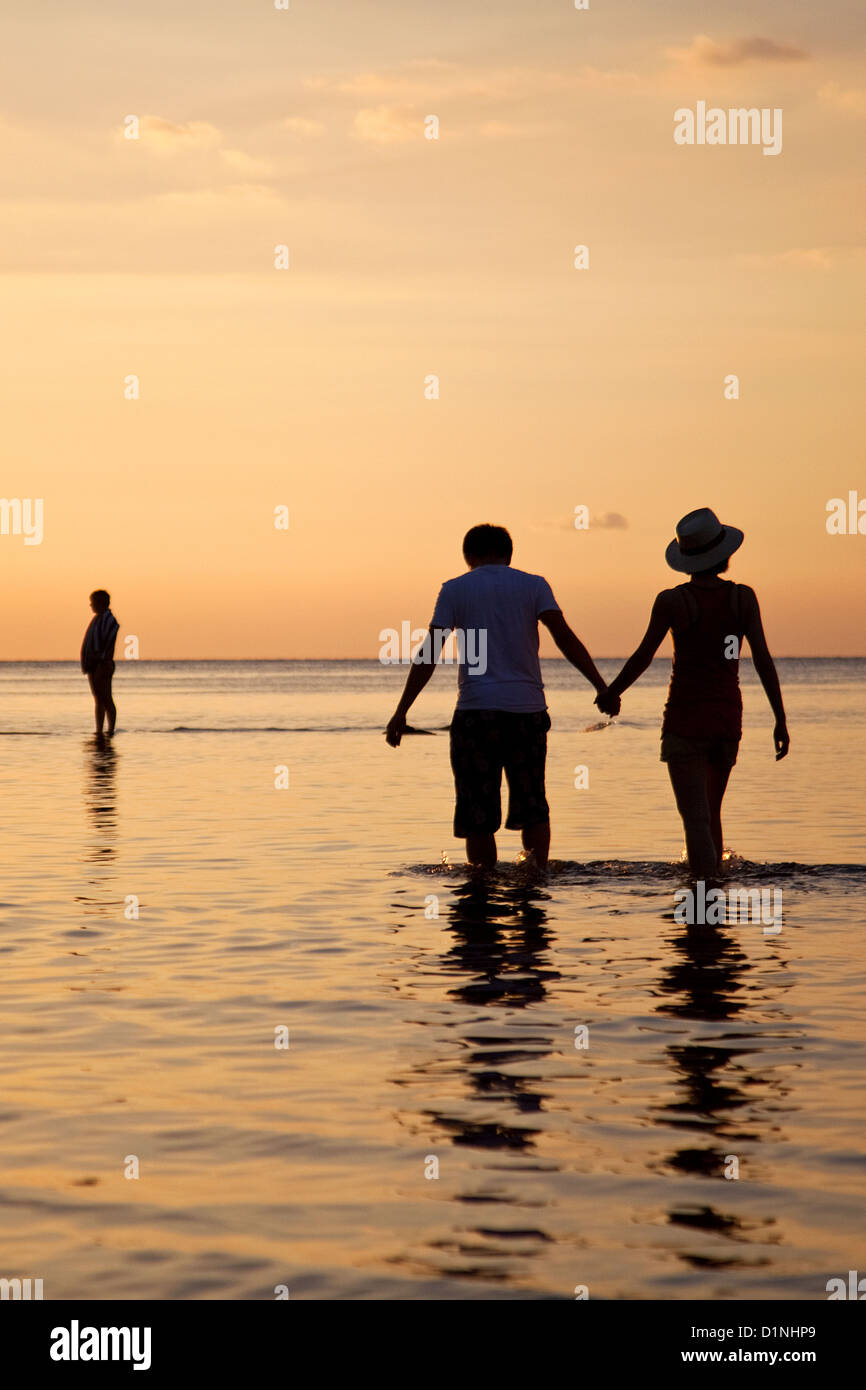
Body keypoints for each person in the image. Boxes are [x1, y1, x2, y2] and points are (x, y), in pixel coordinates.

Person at [385, 523, 614, 869]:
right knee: (533, 804)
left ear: (468, 556)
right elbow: (564, 637)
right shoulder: (534, 585)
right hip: (527, 713)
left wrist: (401, 711)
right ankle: (535, 882)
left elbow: (430, 651)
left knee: (477, 809)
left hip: (477, 714)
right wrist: (601, 685)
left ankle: (482, 891)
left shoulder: (455, 589)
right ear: (509, 554)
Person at [596, 508, 789, 878]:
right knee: (712, 812)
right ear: (724, 554)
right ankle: (713, 909)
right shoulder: (742, 599)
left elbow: (643, 656)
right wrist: (780, 719)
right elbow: (763, 659)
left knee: (695, 818)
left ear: (687, 557)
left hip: (685, 721)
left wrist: (612, 693)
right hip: (727, 719)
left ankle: (704, 901)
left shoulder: (672, 601)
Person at [81, 589, 120, 736]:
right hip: (93, 664)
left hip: (102, 664)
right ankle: (99, 729)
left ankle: (110, 729)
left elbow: (106, 643)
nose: (91, 605)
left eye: (93, 602)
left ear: (101, 603)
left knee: (105, 697)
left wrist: (102, 662)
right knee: (98, 698)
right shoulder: (97, 619)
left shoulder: (108, 620)